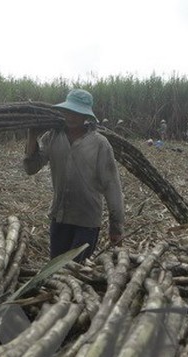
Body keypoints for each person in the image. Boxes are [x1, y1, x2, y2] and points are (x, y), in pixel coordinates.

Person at [24, 88, 125, 263]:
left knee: (75, 271)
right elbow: (31, 168)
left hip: (87, 222)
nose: (71, 117)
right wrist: (32, 135)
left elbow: (112, 186)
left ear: (86, 115)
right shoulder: (52, 137)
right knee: (56, 271)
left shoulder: (100, 144)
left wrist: (116, 226)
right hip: (59, 218)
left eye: (77, 112)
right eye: (69, 111)